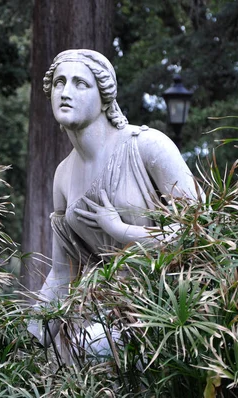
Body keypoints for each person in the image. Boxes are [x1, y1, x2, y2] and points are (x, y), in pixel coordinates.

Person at [29, 49, 199, 349]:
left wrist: (122, 232)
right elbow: (62, 272)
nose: (66, 92)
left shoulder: (147, 146)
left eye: (80, 84)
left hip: (169, 313)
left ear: (105, 96)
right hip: (102, 312)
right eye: (59, 83)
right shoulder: (63, 175)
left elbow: (201, 231)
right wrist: (28, 338)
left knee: (94, 346)